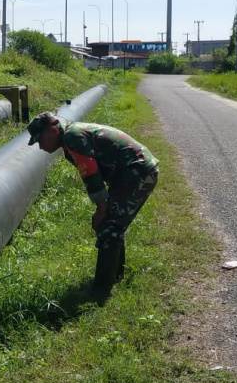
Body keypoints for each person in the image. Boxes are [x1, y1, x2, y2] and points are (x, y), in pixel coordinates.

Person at [27, 112, 159, 298]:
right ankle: (114, 276)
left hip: (137, 171)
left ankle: (101, 291)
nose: (41, 146)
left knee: (108, 226)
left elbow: (92, 177)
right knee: (112, 225)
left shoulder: (72, 137)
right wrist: (104, 207)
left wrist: (101, 209)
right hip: (131, 172)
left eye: (40, 140)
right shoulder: (70, 137)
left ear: (52, 130)